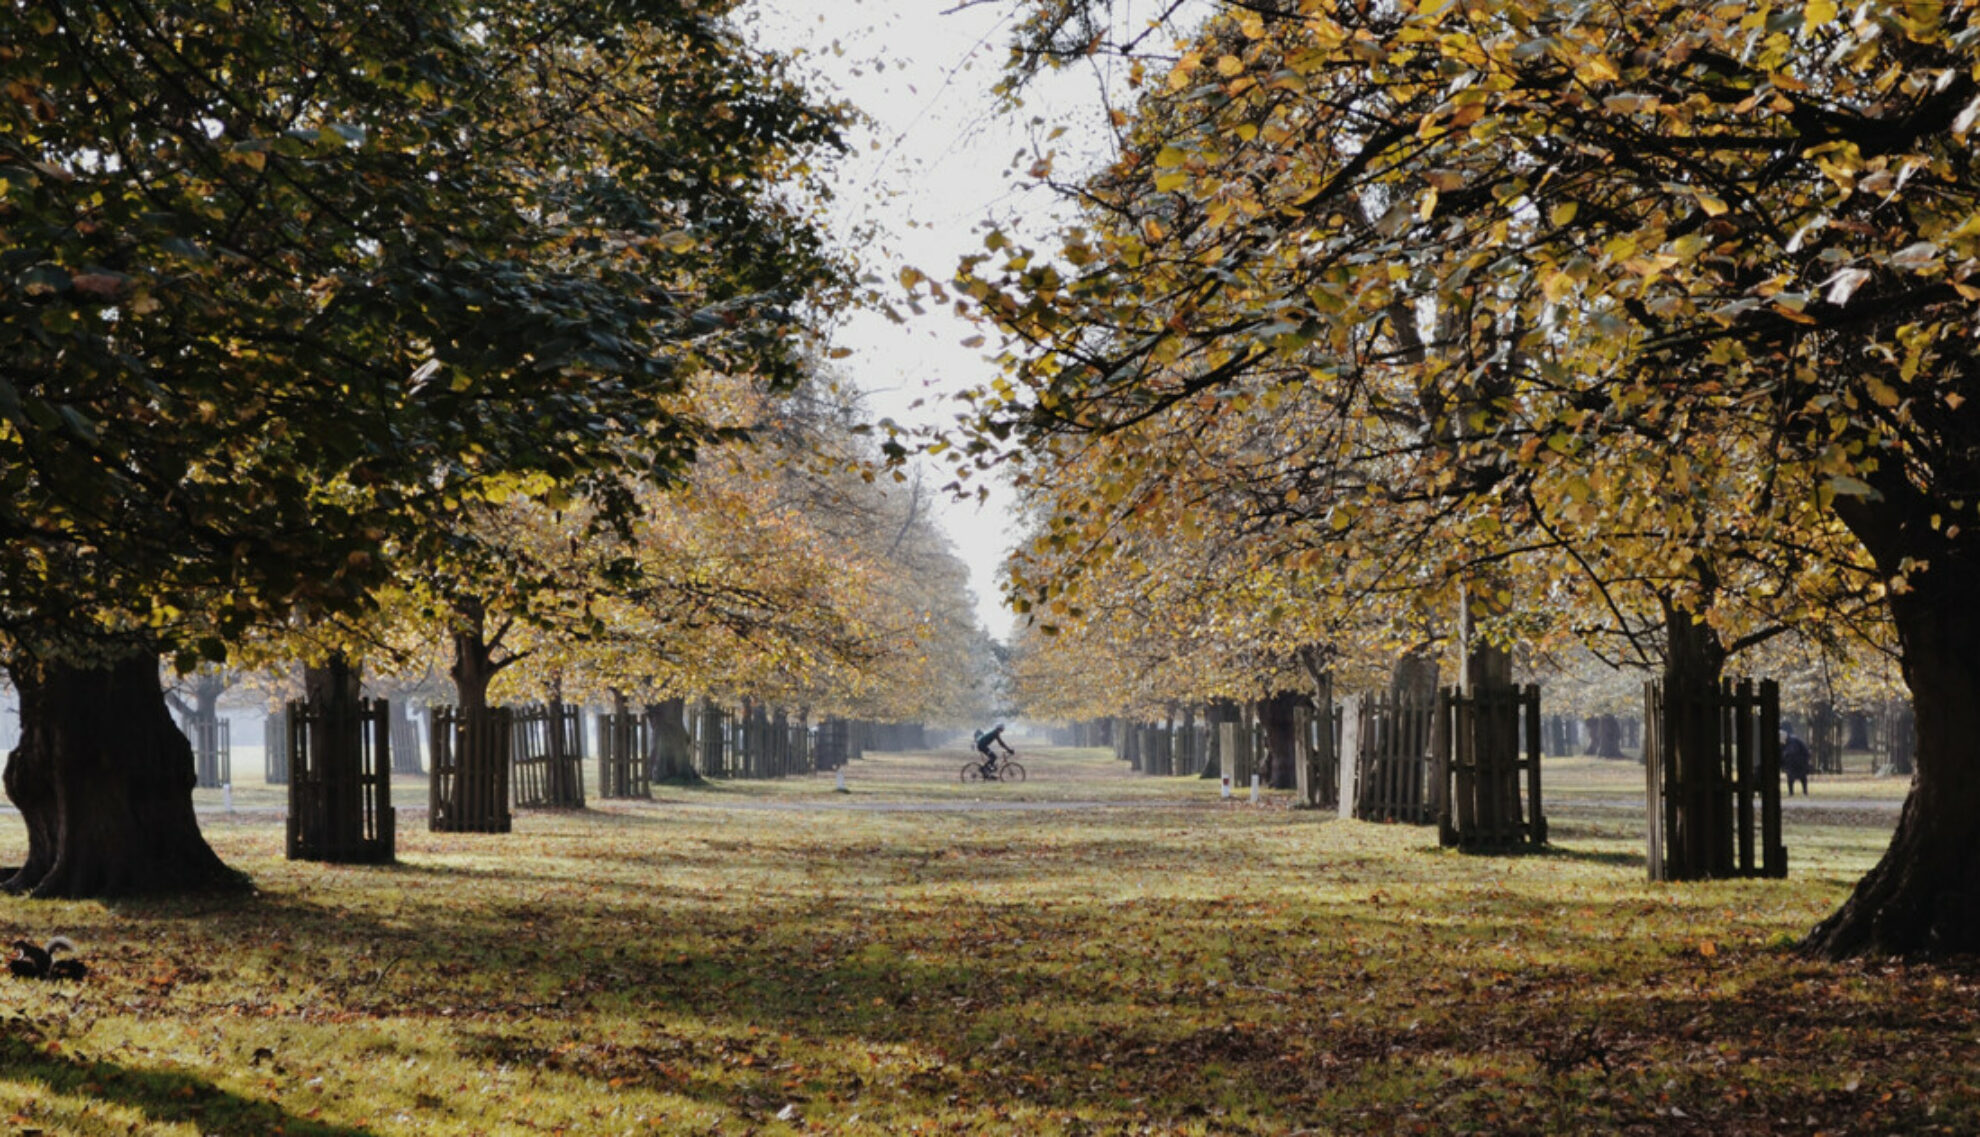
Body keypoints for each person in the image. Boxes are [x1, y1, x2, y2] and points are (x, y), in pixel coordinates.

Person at [1781, 725, 1812, 796]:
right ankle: (1791, 792)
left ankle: (1804, 792)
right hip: (1791, 764)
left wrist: (1806, 760)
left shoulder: (1794, 741)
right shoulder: (1786, 743)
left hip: (1799, 762)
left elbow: (1804, 751)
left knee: (1802, 778)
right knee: (1791, 778)